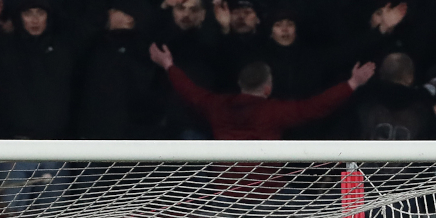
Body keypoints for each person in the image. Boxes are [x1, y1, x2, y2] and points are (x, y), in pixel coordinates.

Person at [149, 44, 375, 139]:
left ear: (240, 82)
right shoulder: (274, 111)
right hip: (266, 199)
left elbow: (190, 91)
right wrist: (352, 83)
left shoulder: (216, 105)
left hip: (224, 198)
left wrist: (169, 65)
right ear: (268, 88)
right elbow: (315, 107)